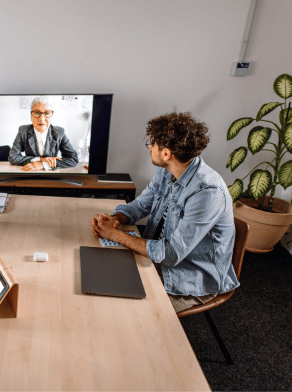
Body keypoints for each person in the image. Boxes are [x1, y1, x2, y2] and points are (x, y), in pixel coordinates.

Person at [90, 112, 239, 313]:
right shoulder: (167, 170)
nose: (150, 148)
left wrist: (115, 234)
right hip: (158, 258)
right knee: (97, 275)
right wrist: (114, 219)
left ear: (166, 153)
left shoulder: (207, 193)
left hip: (191, 279)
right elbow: (140, 205)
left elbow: (170, 254)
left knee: (123, 311)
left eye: (152, 144)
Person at [8, 97, 79, 171]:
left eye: (47, 113)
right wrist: (41, 159)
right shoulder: (23, 131)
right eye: (36, 113)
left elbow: (73, 158)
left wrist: (44, 164)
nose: (41, 119)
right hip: (29, 172)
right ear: (31, 116)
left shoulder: (59, 132)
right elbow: (13, 158)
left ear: (51, 116)